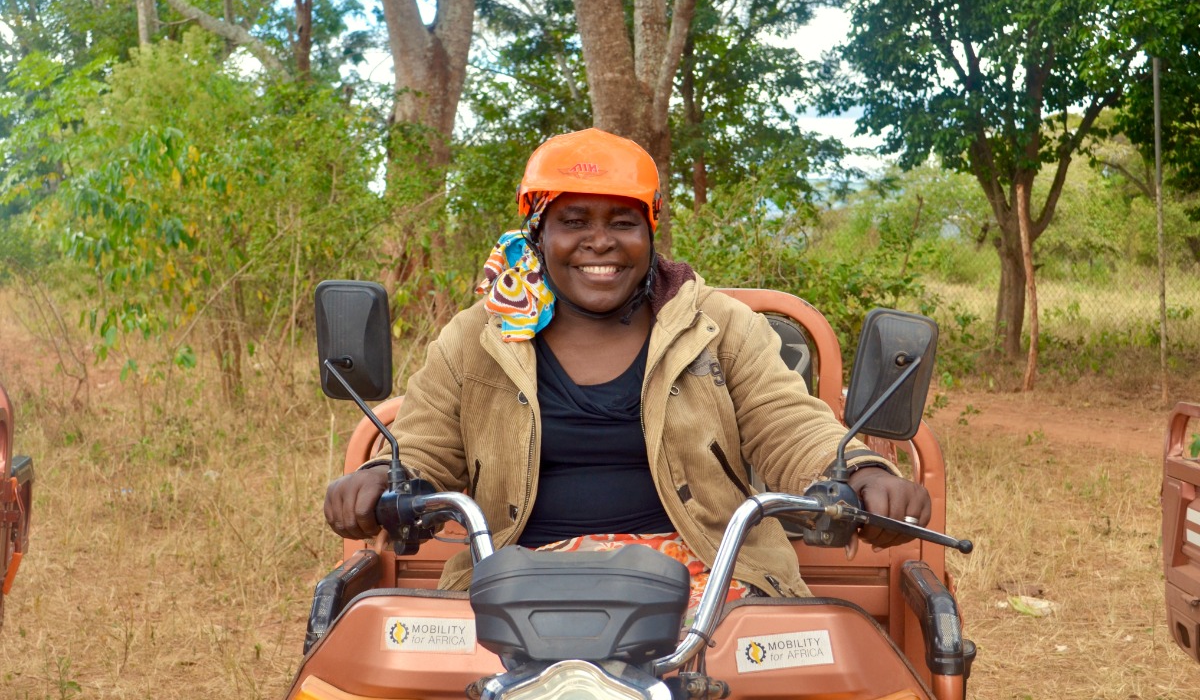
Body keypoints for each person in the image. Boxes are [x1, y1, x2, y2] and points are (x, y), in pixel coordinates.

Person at [324, 128, 930, 611]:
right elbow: (426, 447)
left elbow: (788, 425)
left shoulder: (720, 326)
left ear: (650, 232)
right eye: (574, 221)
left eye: (622, 222)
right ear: (537, 233)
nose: (600, 241)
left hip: (707, 581)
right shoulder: (477, 336)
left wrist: (859, 469)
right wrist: (384, 475)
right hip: (515, 580)